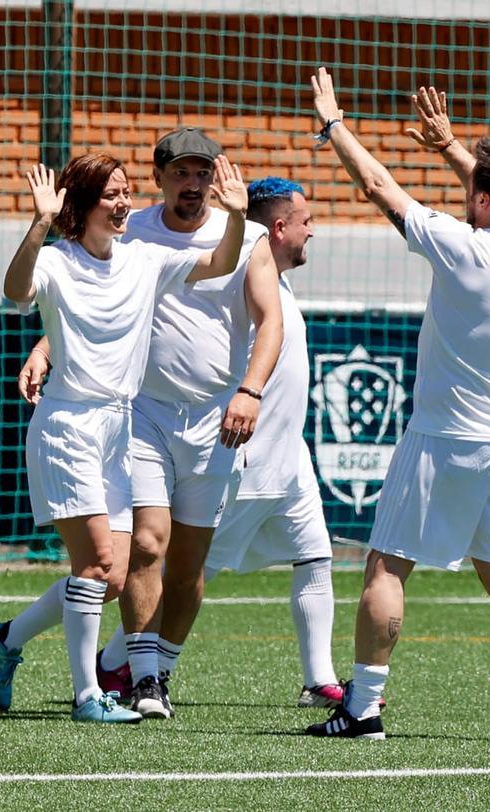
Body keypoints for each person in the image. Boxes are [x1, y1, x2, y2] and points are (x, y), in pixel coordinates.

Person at [303, 68, 490, 743]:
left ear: (480, 199)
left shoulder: (460, 249)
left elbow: (380, 187)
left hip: (444, 439)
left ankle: (362, 706)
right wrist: (452, 145)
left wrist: (335, 125)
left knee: (385, 564)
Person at [0, 151, 251, 724]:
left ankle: (6, 639)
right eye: (111, 194)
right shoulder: (57, 260)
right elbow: (14, 291)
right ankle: (87, 697)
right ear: (81, 206)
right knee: (97, 562)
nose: (124, 202)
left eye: (127, 191)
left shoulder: (143, 259)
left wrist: (234, 216)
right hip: (68, 425)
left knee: (112, 579)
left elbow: (221, 263)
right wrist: (38, 222)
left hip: (118, 428)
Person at [188, 176, 343, 708]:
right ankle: (118, 662)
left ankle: (318, 680)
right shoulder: (244, 281)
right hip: (245, 463)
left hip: (290, 463)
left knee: (316, 559)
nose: (313, 232)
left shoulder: (279, 278)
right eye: (306, 221)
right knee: (187, 575)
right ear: (279, 228)